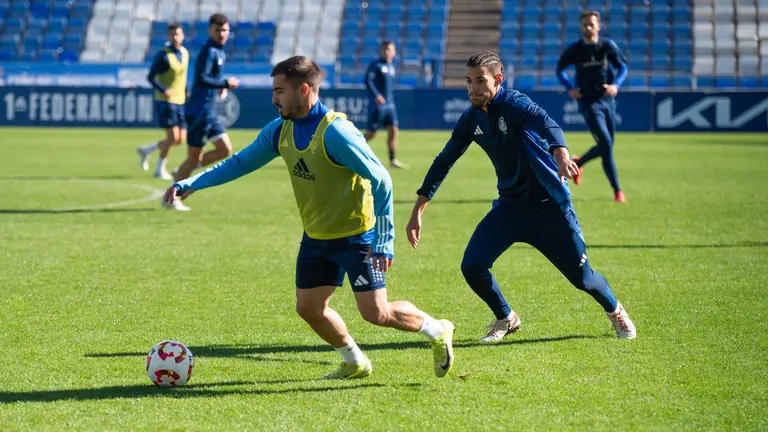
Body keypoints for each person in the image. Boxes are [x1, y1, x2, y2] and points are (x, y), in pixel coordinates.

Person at [164, 56, 455, 379]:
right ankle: (354, 361)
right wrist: (192, 182)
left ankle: (437, 329)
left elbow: (382, 179)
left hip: (358, 238)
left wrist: (384, 241)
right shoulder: (280, 130)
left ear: (303, 90)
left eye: (279, 91)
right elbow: (240, 162)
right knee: (309, 308)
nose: (274, 98)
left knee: (377, 313)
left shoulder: (336, 134)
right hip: (316, 236)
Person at [406, 51, 636, 342]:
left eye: (480, 81)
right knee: (472, 266)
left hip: (550, 208)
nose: (472, 88)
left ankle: (616, 311)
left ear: (498, 79)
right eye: (468, 81)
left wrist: (561, 155)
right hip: (510, 209)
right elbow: (443, 162)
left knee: (584, 279)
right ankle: (506, 317)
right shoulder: (470, 119)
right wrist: (418, 210)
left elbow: (547, 122)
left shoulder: (515, 104)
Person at [167, 13, 240, 211]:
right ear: (210, 31)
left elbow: (209, 79)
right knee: (193, 159)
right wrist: (225, 83)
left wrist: (220, 86)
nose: (221, 33)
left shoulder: (219, 51)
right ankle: (171, 197)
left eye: (224, 30)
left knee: (225, 150)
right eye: (217, 30)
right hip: (199, 112)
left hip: (209, 112)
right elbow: (200, 78)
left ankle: (183, 171)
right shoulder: (209, 51)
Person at [555, 10, 629, 203]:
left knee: (607, 145)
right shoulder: (576, 50)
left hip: (607, 101)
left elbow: (623, 67)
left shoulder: (607, 46)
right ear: (581, 27)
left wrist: (616, 85)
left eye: (591, 24)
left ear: (599, 26)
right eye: (585, 24)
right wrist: (570, 88)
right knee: (605, 142)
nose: (588, 27)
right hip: (588, 102)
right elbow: (560, 68)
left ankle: (578, 162)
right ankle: (618, 191)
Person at [137, 23, 189, 180]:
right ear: (168, 36)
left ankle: (146, 150)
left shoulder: (185, 53)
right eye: (172, 34)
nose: (175, 37)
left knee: (180, 139)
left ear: (182, 36)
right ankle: (160, 169)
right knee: (173, 138)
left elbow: (182, 75)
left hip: (180, 100)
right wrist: (163, 89)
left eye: (177, 34)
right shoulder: (163, 55)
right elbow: (150, 77)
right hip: (165, 101)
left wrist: (185, 89)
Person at [363, 41, 408, 169]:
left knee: (393, 130)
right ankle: (350, 147)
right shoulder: (375, 64)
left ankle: (393, 160)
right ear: (380, 51)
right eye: (385, 49)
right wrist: (376, 95)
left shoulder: (391, 67)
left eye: (389, 50)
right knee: (371, 133)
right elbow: (368, 80)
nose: (387, 52)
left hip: (390, 105)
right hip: (378, 105)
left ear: (394, 52)